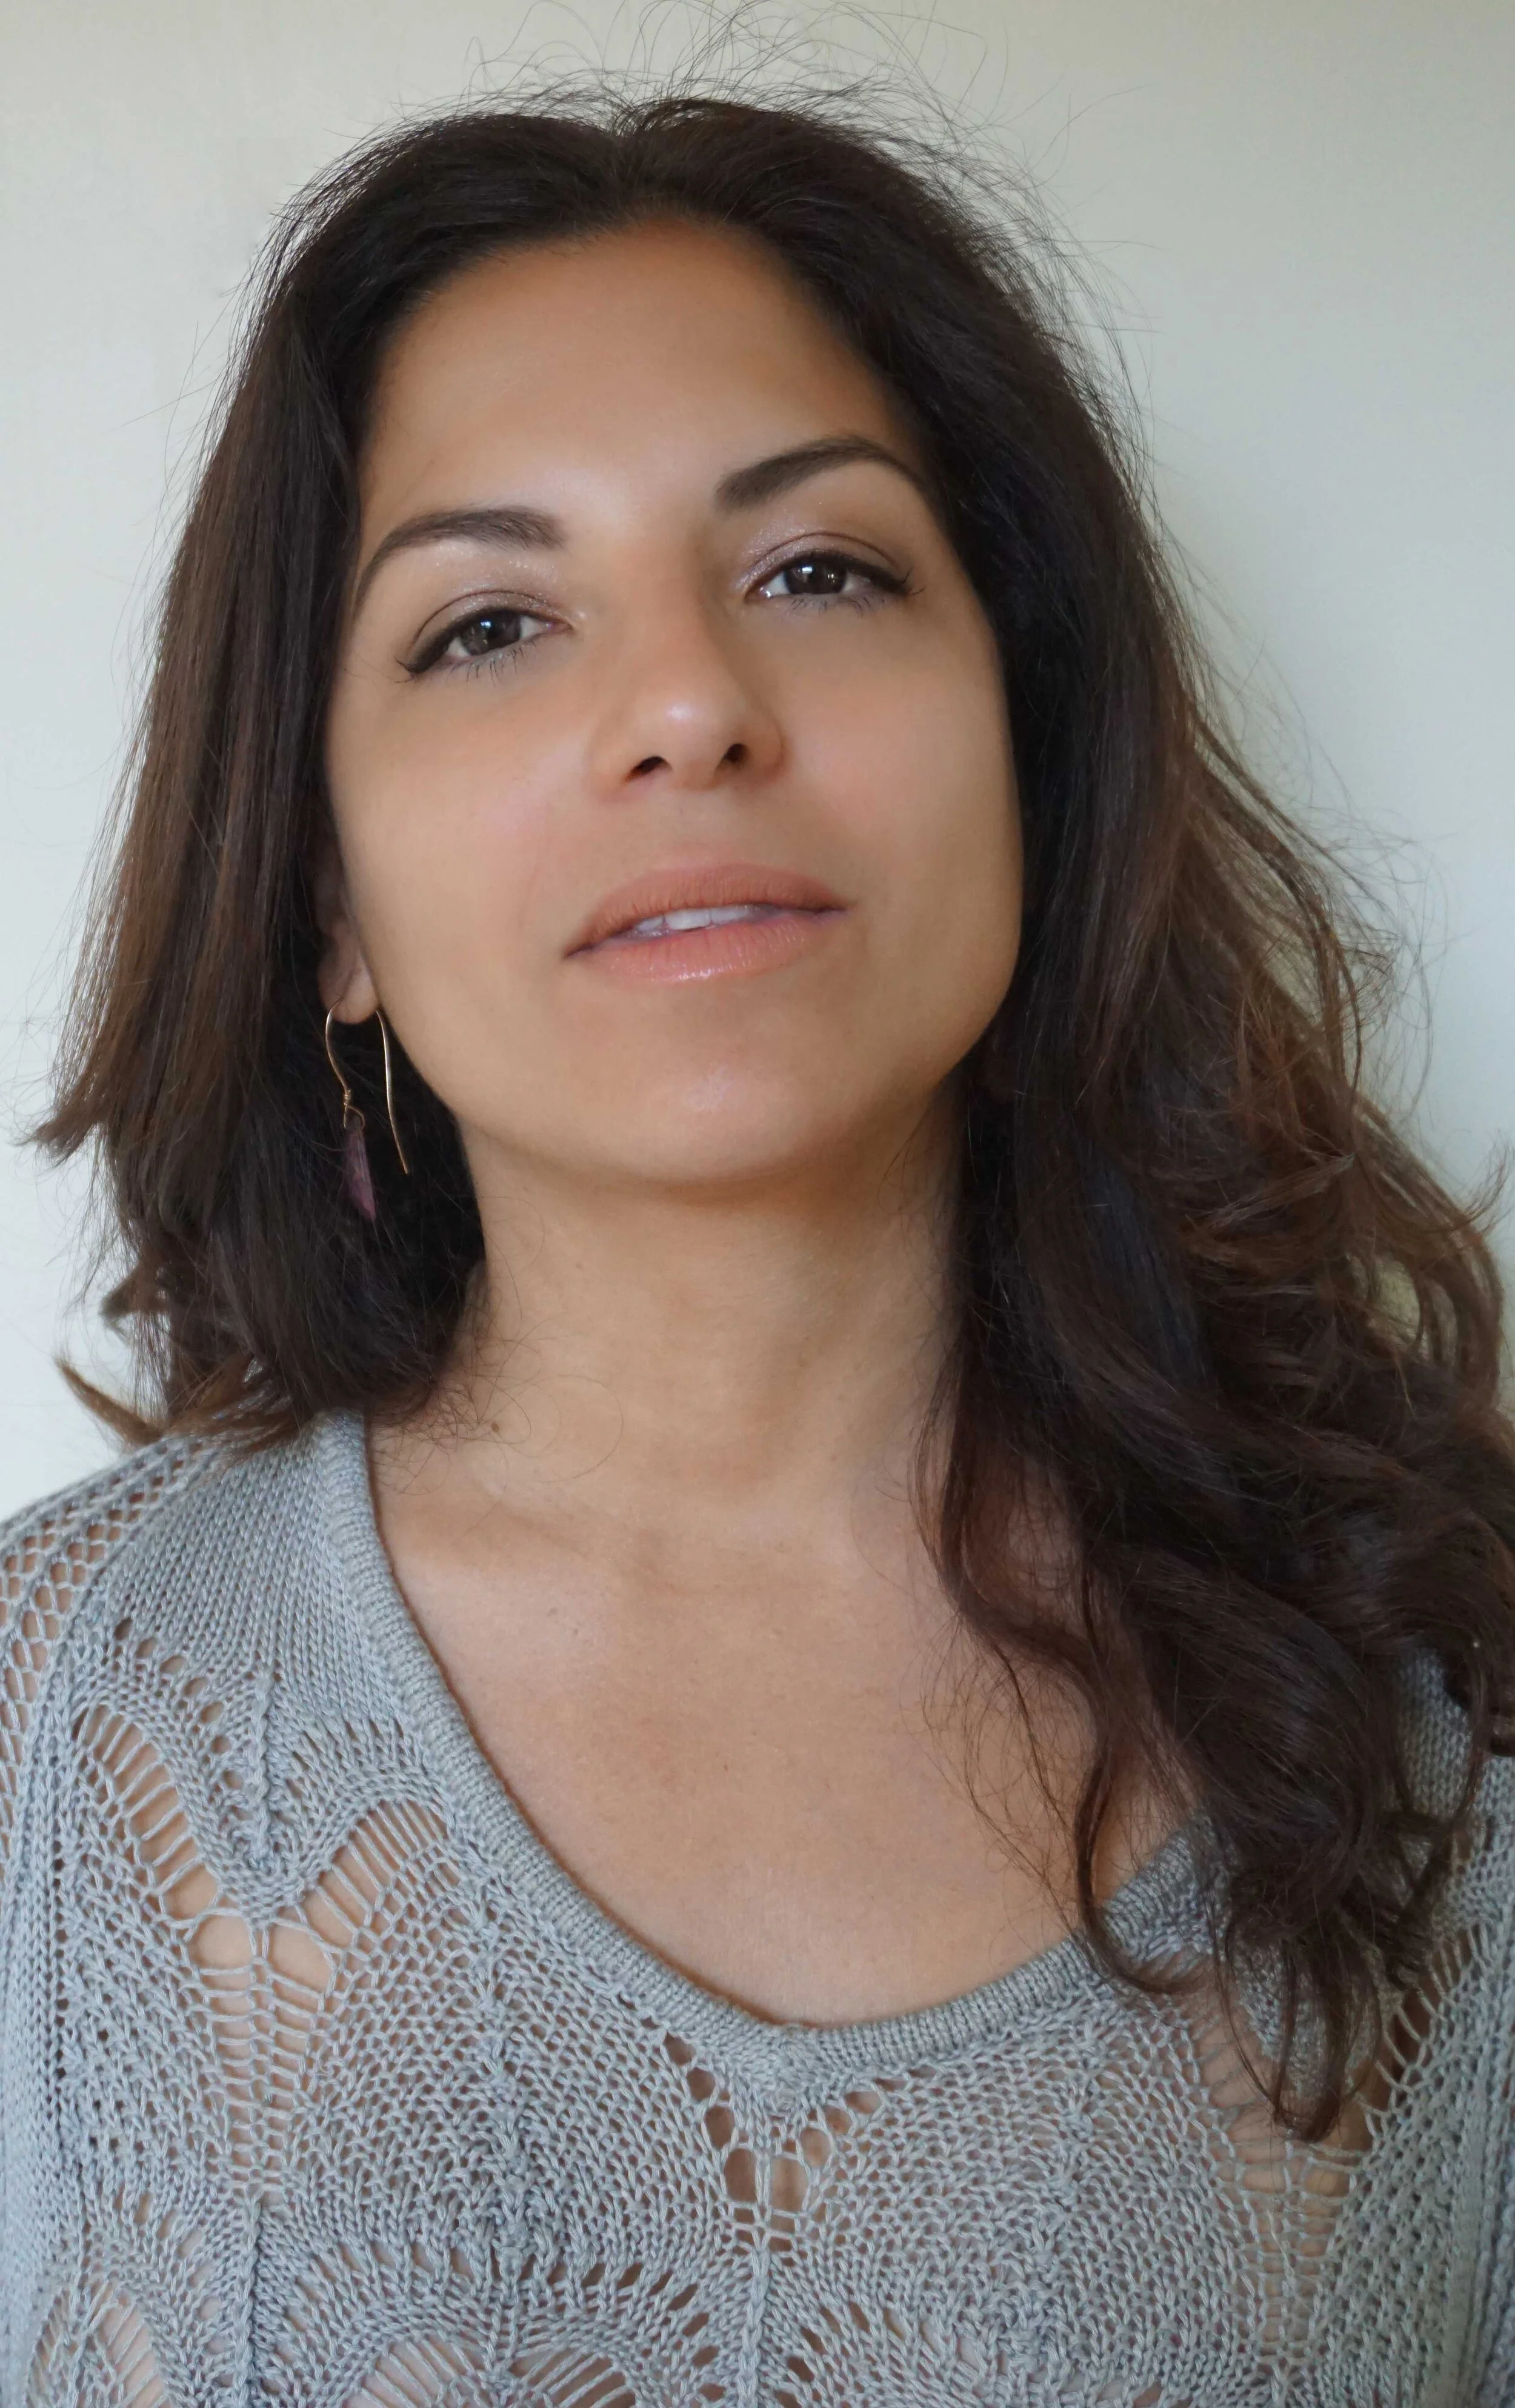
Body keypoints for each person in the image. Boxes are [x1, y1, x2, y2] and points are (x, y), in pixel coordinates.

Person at [4, 81, 1513, 2403]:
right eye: (488, 622)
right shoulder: (43, 1724)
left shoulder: (1454, 1732)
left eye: (819, 571)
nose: (693, 706)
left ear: (1034, 750)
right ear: (327, 906)